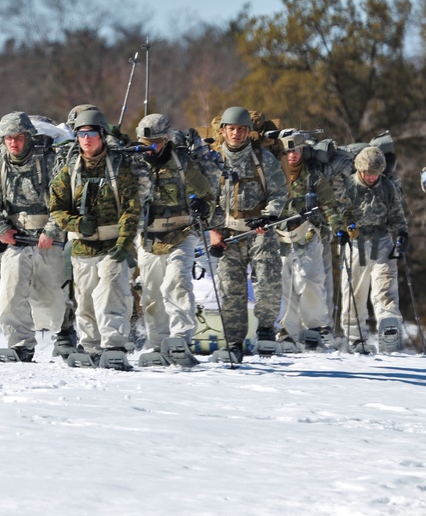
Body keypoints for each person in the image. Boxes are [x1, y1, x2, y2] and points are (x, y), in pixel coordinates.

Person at [49, 106, 142, 365]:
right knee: (86, 300)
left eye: (91, 133)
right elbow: (56, 208)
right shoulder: (70, 171)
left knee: (112, 295)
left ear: (101, 135)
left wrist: (123, 245)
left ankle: (114, 346)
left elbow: (132, 209)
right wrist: (76, 222)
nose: (86, 139)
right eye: (80, 134)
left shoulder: (119, 168)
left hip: (114, 246)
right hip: (82, 246)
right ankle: (90, 346)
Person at [0, 112, 67, 362]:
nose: (13, 143)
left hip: (49, 237)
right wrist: (0, 229)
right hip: (15, 238)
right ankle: (20, 344)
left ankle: (65, 331)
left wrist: (52, 230)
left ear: (28, 137)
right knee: (11, 294)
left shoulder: (51, 162)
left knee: (51, 297)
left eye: (18, 137)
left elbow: (63, 201)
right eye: (8, 138)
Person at [134, 113, 217, 366]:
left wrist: (204, 207)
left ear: (167, 139)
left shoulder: (183, 164)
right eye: (147, 143)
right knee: (151, 292)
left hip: (182, 233)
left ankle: (180, 337)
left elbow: (207, 195)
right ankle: (157, 342)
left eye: (157, 143)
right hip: (148, 237)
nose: (152, 149)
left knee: (177, 281)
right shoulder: (133, 166)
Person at [207, 106, 288, 361]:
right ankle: (233, 342)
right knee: (231, 290)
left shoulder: (263, 159)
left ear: (248, 132)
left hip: (259, 230)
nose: (236, 134)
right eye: (231, 129)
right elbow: (205, 199)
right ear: (223, 131)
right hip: (227, 233)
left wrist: (270, 215)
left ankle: (265, 331)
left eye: (241, 129)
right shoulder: (213, 160)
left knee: (268, 284)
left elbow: (279, 192)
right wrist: (213, 231)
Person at [273, 130, 353, 348]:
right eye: (288, 151)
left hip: (308, 234)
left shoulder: (312, 174)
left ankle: (315, 327)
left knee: (309, 280)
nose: (292, 156)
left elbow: (329, 203)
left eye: (296, 150)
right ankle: (287, 332)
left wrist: (339, 227)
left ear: (302, 150)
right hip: (279, 236)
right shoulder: (274, 172)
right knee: (284, 283)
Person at [338, 146, 409, 353]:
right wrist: (341, 230)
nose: (371, 178)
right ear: (360, 170)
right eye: (368, 173)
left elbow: (396, 213)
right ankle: (355, 337)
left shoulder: (387, 186)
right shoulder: (348, 185)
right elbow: (338, 212)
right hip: (357, 242)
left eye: (375, 174)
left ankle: (389, 327)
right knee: (354, 291)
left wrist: (402, 233)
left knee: (385, 287)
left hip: (383, 240)